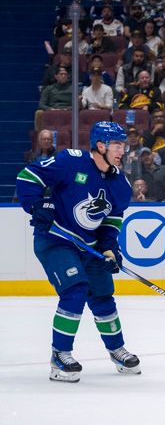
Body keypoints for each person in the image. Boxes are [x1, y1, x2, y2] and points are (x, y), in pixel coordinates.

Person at [16, 122, 139, 382]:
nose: (122, 150)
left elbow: (111, 221)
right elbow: (28, 176)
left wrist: (109, 247)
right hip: (55, 240)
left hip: (89, 246)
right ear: (101, 146)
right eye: (117, 145)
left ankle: (116, 349)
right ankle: (59, 356)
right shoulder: (71, 162)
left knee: (103, 294)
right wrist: (38, 205)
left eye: (123, 145)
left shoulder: (121, 185)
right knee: (75, 289)